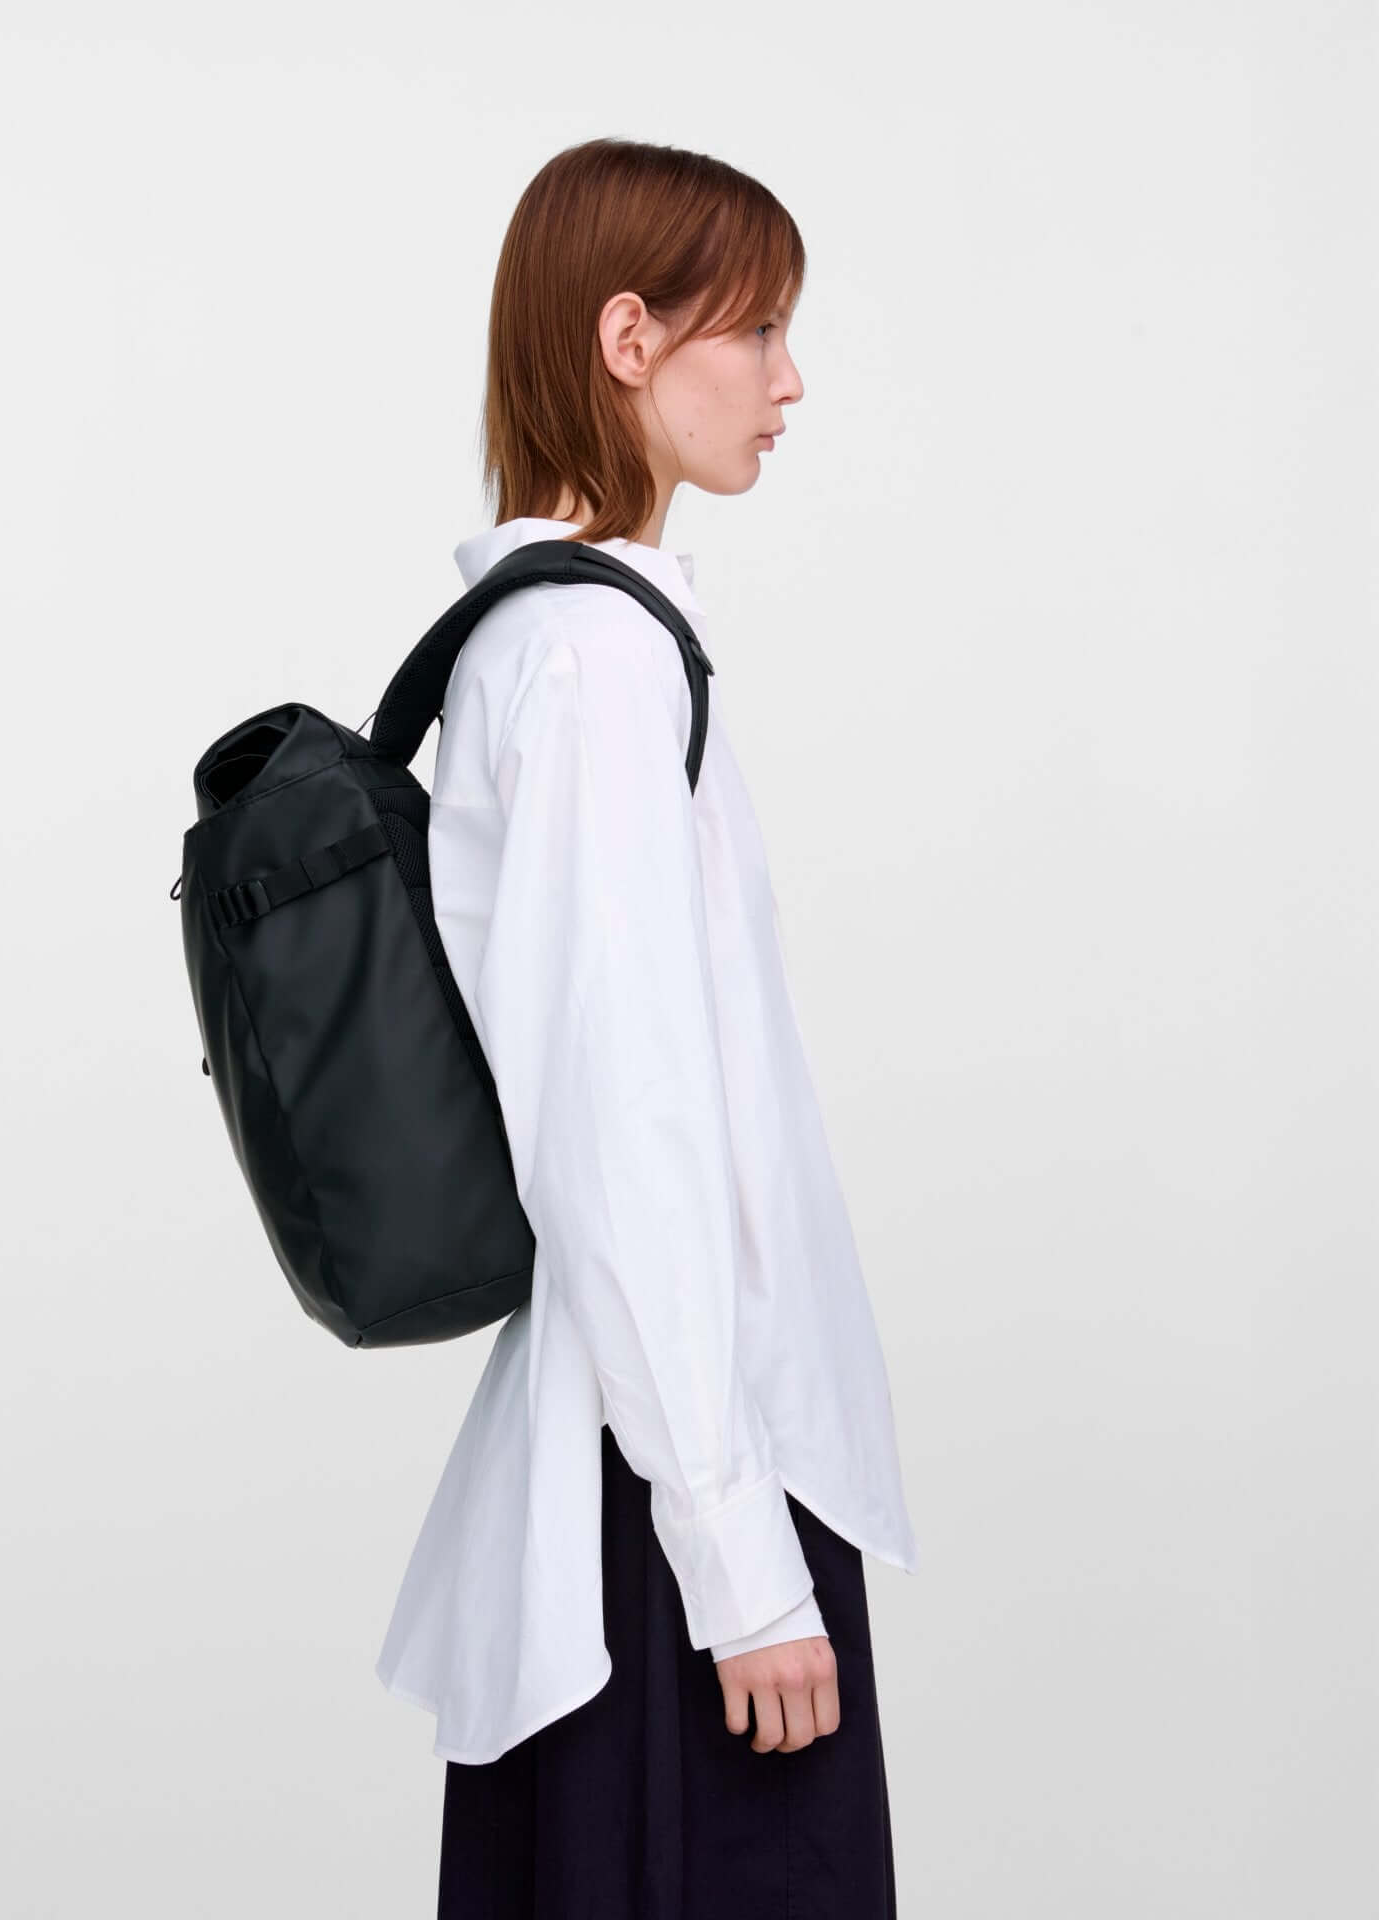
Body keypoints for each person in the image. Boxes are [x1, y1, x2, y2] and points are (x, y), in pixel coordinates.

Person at [373, 136, 919, 1917]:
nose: (788, 380)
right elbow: (625, 1133)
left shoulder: (553, 642)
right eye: (754, 332)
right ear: (628, 339)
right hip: (674, 1505)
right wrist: (741, 1562)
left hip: (653, 1469)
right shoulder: (592, 662)